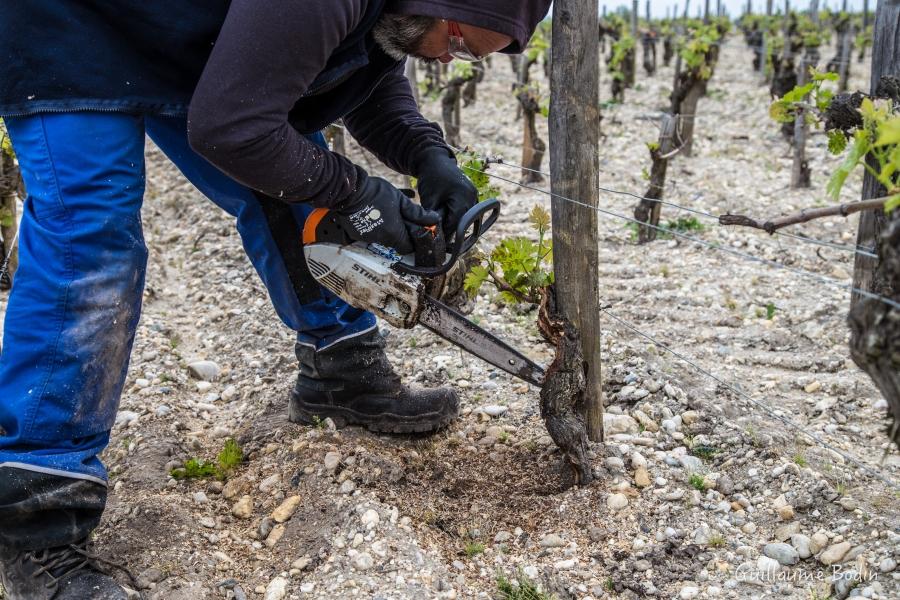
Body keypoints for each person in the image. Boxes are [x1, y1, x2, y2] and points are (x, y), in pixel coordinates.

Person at [0, 1, 553, 598]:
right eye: (460, 42)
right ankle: (38, 516)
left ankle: (342, 373)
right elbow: (232, 126)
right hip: (70, 25)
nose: (449, 58)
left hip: (179, 38)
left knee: (287, 186)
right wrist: (357, 192)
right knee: (92, 242)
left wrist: (429, 156)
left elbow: (362, 67)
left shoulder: (393, 10)